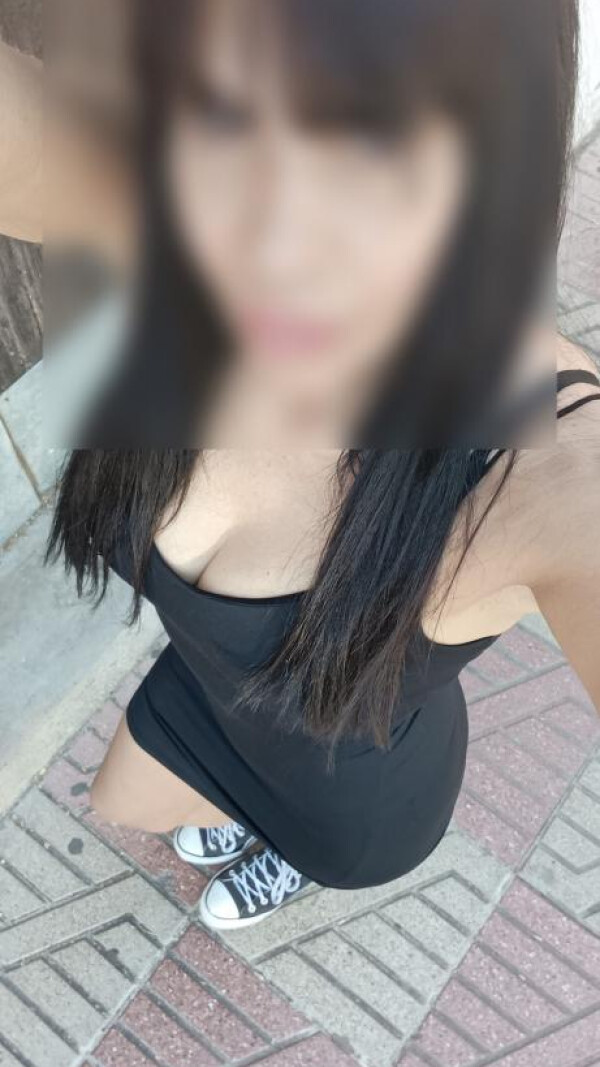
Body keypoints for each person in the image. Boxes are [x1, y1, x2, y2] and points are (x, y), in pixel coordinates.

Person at [2, 0, 599, 931]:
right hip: (216, 690)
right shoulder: (171, 202)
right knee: (120, 801)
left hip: (351, 800)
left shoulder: (539, 450)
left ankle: (290, 856)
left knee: (149, 804)